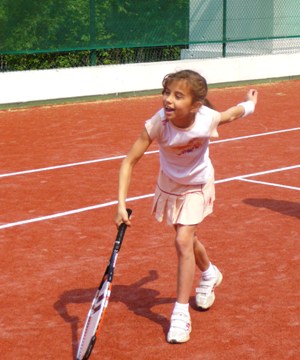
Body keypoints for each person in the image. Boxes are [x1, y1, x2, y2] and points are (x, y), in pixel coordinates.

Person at [114, 69, 258, 344]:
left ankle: (180, 314)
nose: (168, 100)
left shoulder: (207, 119)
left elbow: (231, 114)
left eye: (177, 96)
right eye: (166, 92)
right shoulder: (158, 123)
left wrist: (250, 104)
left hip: (198, 186)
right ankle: (209, 273)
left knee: (182, 240)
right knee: (188, 240)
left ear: (195, 105)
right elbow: (128, 161)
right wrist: (120, 204)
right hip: (170, 187)